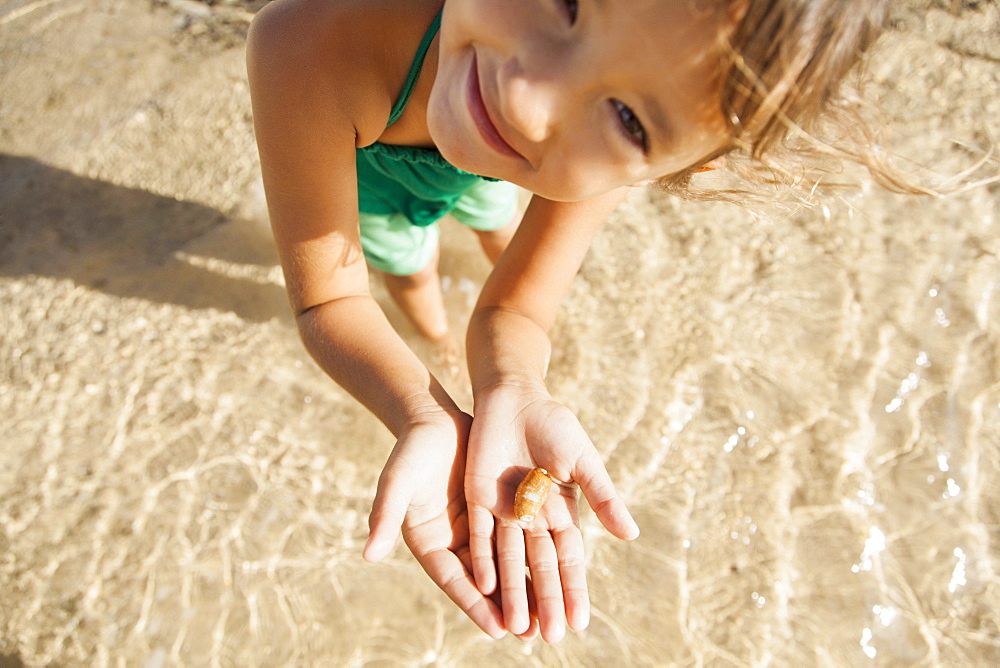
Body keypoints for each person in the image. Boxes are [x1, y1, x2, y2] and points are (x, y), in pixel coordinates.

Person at [246, 0, 899, 643]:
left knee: (502, 228)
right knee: (411, 275)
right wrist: (423, 407)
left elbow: (517, 306)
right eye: (564, 1)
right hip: (377, 189)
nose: (528, 103)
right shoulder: (307, 45)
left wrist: (515, 384)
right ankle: (436, 335)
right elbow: (330, 300)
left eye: (627, 120)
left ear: (684, 165)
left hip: (497, 162)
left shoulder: (551, 123)